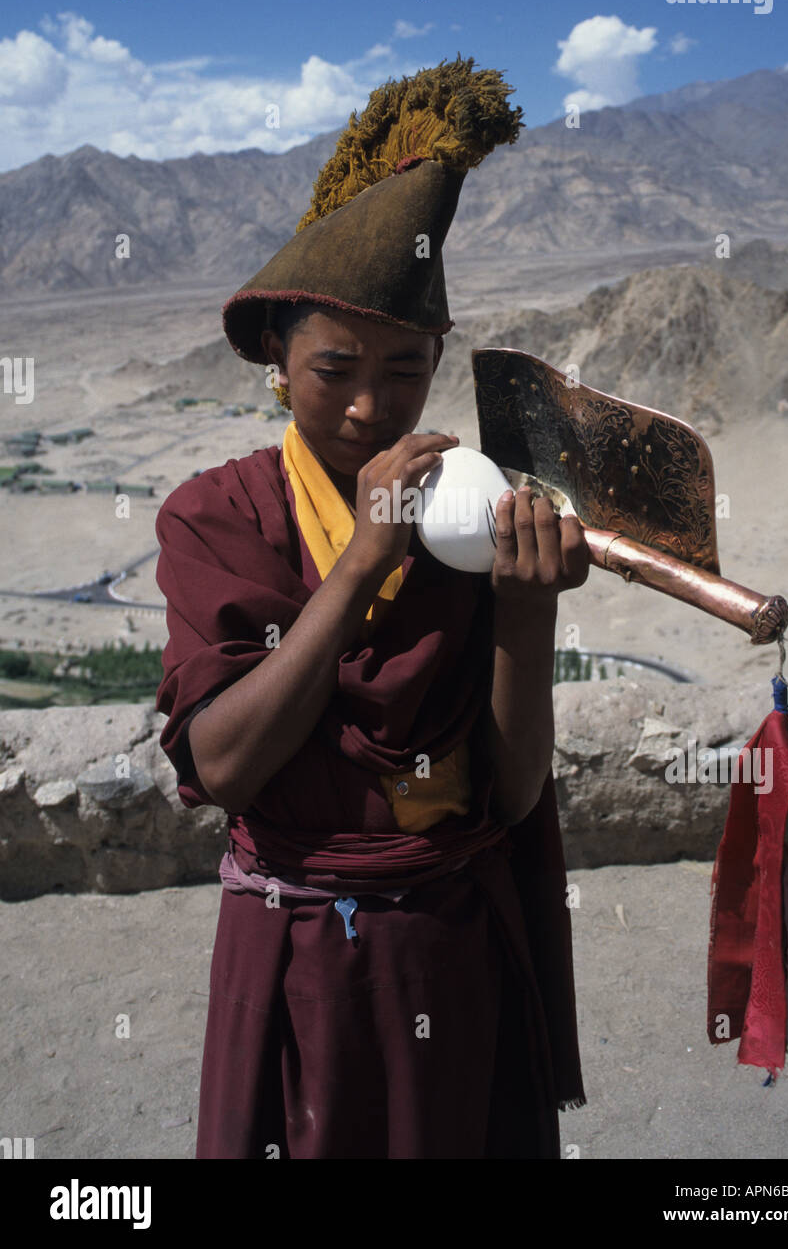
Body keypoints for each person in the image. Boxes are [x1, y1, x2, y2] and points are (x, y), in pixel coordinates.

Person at [154, 57, 588, 1158]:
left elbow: (510, 787)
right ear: (274, 359)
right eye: (333, 368)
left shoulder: (469, 516)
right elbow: (223, 765)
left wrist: (524, 617)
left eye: (403, 371)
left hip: (452, 940)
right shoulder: (219, 515)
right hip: (296, 950)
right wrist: (356, 564)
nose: (366, 406)